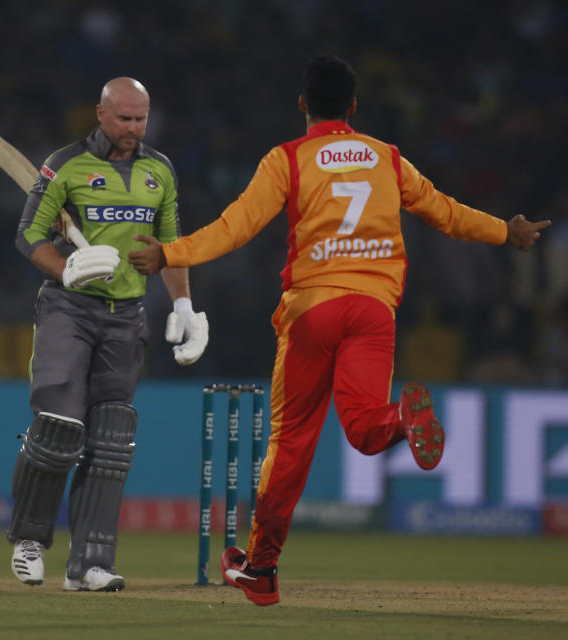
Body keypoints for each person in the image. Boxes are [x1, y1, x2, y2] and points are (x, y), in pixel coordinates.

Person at [128, 55, 551, 605]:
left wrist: (169, 253)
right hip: (375, 309)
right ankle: (401, 417)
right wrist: (505, 232)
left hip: (313, 310)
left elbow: (236, 226)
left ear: (302, 104)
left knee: (291, 442)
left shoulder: (288, 158)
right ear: (353, 107)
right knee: (364, 426)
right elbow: (445, 211)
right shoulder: (386, 157)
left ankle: (261, 569)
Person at [7, 77, 209, 591]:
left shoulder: (159, 170)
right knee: (57, 426)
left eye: (141, 118)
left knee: (112, 440)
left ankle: (90, 563)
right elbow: (28, 232)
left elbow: (170, 245)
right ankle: (29, 539)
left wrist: (183, 303)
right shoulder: (66, 164)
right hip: (68, 310)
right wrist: (66, 269)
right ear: (100, 113)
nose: (134, 128)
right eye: (124, 118)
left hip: (127, 315)